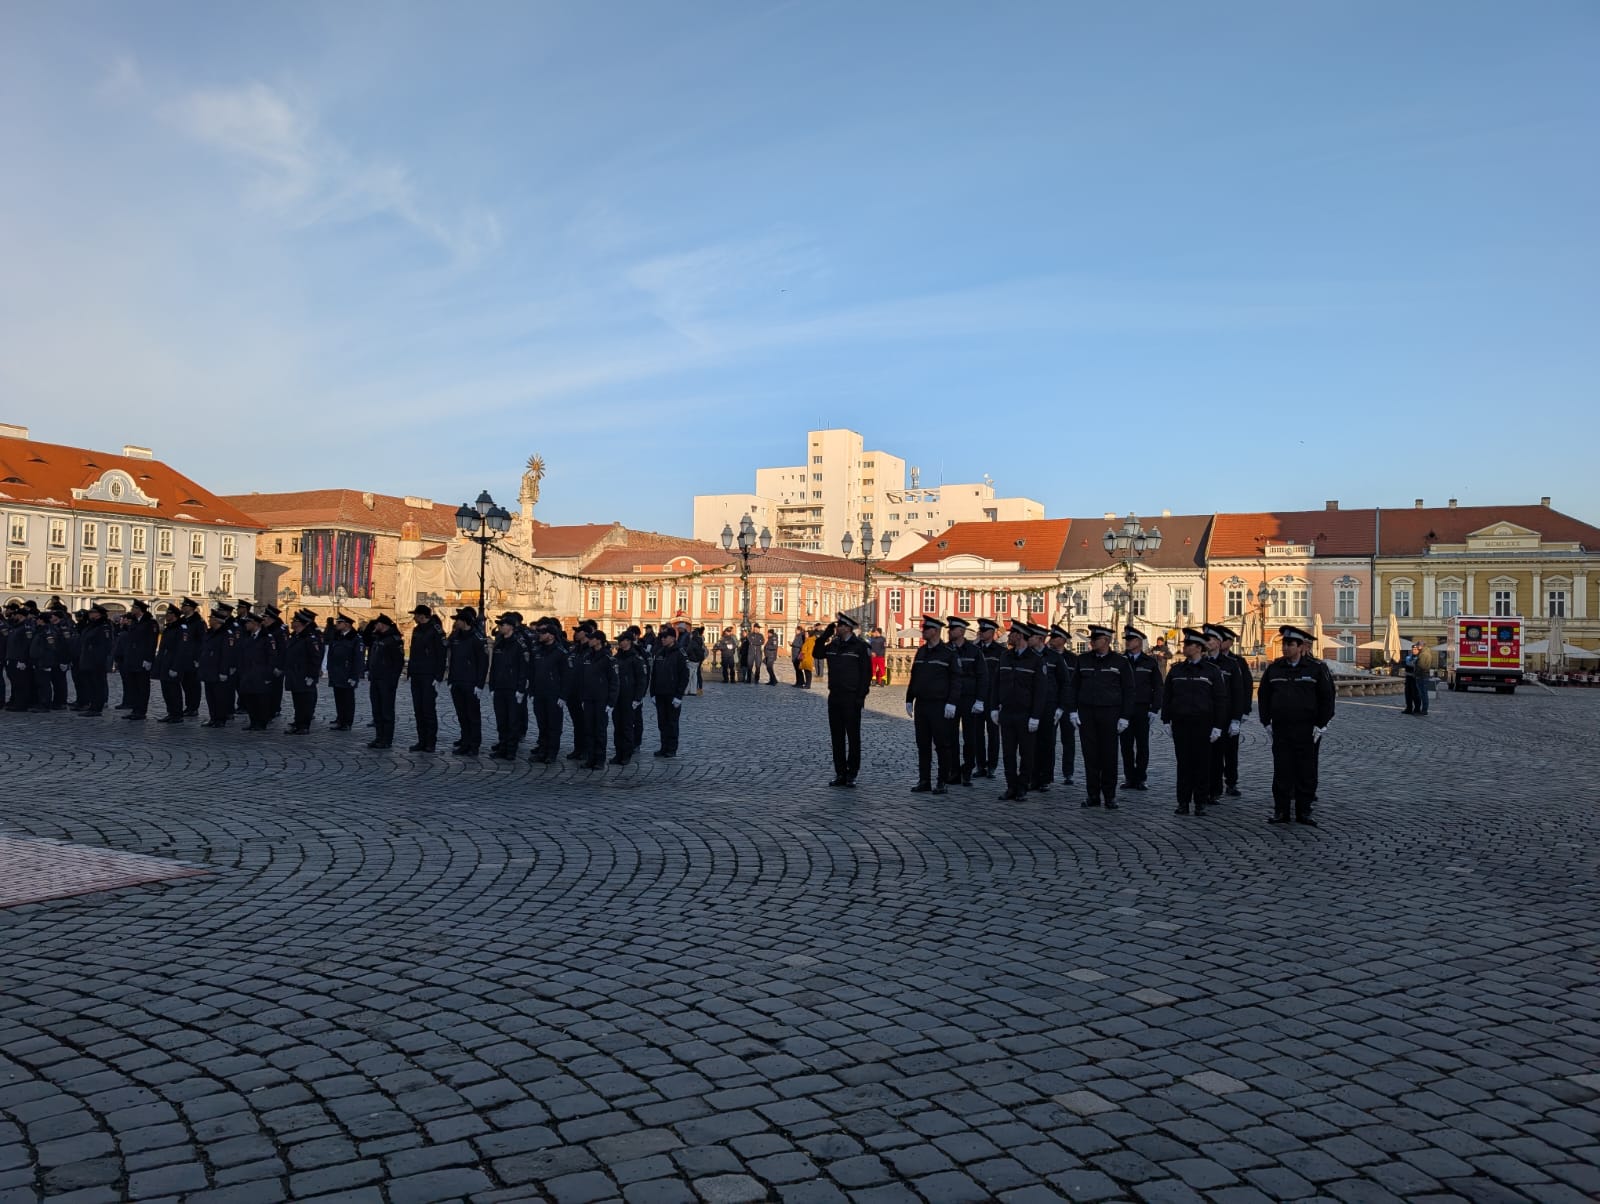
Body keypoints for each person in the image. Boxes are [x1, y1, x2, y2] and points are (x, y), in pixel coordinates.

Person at [1257, 625, 1336, 824]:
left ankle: (1304, 810)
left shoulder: (1316, 668)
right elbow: (1263, 695)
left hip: (1307, 728)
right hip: (1281, 728)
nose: (1285, 648)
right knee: (1282, 770)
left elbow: (1327, 697)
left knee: (1305, 770)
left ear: (1301, 647)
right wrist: (1266, 721)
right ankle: (1281, 810)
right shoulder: (1275, 668)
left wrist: (1322, 724)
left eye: (1290, 644)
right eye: (1284, 644)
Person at [1160, 629, 1228, 814]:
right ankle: (1183, 802)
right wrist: (1166, 719)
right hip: (1181, 722)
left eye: (1188, 644)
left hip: (1203, 723)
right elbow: (1167, 696)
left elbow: (1220, 700)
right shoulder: (1177, 670)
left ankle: (1200, 802)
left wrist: (1218, 726)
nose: (1184, 647)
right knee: (1183, 764)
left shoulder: (1212, 671)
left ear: (1198, 647)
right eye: (1184, 644)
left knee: (1202, 764)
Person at [1067, 624, 1135, 809]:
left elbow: (1129, 690)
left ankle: (1110, 796)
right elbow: (1073, 687)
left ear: (1106, 641)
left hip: (1110, 712)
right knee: (1090, 756)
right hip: (1087, 713)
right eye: (1092, 639)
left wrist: (1125, 716)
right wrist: (1072, 711)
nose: (1092, 642)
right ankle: (1093, 795)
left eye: (1095, 639)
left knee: (1109, 756)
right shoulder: (1083, 660)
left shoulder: (1120, 662)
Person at [991, 621, 1047, 801]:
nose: (1009, 636)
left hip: (1026, 713)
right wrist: (994, 707)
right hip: (1007, 712)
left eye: (1012, 633)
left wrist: (1036, 716)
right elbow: (996, 684)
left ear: (1020, 636)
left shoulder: (1036, 660)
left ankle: (1022, 786)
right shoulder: (1005, 657)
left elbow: (1041, 691)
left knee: (1026, 753)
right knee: (1008, 753)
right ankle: (1011, 786)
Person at [905, 616, 960, 794]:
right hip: (922, 704)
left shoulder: (948, 654)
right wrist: (908, 698)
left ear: (935, 631)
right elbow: (914, 677)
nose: (923, 631)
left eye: (926, 629)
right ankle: (924, 780)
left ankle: (942, 781)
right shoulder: (921, 652)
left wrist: (951, 703)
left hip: (940, 705)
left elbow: (955, 680)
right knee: (923, 744)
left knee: (942, 745)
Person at [820, 614, 872, 787]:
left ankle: (852, 773)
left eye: (840, 625)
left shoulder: (860, 647)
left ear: (849, 628)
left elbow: (866, 673)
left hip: (851, 697)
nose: (837, 627)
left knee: (853, 736)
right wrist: (824, 636)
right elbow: (817, 653)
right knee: (837, 737)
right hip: (834, 696)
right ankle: (840, 773)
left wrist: (861, 696)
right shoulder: (834, 644)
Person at [1203, 625, 1247, 805]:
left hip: (1226, 716)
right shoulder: (1202, 663)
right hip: (1206, 715)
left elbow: (1239, 691)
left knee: (1227, 752)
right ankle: (1207, 789)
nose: (1207, 642)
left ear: (1220, 642)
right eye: (1206, 639)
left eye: (1211, 639)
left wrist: (1238, 716)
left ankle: (1225, 785)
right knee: (1207, 756)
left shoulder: (1232, 664)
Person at [945, 617, 989, 786]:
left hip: (969, 699)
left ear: (962, 631)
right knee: (951, 737)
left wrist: (980, 700)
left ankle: (968, 769)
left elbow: (982, 677)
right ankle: (954, 771)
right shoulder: (946, 649)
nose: (949, 631)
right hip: (951, 700)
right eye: (949, 629)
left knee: (970, 738)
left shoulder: (974, 651)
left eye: (952, 629)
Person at [1120, 625, 1164, 791]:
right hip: (1124, 709)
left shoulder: (1149, 662)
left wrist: (1155, 708)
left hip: (1142, 708)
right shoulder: (1121, 660)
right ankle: (1129, 777)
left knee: (1142, 745)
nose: (1127, 643)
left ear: (1138, 642)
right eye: (1127, 640)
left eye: (1130, 640)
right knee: (1126, 745)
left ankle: (1141, 778)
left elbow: (1158, 686)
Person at [1032, 626, 1072, 794]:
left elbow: (1065, 683)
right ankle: (1032, 776)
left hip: (1051, 704)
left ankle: (1046, 778)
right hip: (1033, 705)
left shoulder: (1056, 658)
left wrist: (1062, 706)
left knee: (1049, 742)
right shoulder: (1030, 656)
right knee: (1032, 743)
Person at [575, 629, 619, 769]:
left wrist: (611, 702)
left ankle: (600, 760)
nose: (589, 640)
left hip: (601, 699)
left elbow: (614, 681)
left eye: (592, 638)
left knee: (600, 730)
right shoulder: (587, 656)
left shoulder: (608, 658)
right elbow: (582, 679)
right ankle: (590, 758)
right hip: (588, 699)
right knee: (588, 729)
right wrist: (582, 697)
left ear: (599, 640)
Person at [446, 608, 487, 756]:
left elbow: (483, 662)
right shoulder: (456, 636)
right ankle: (465, 742)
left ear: (464, 622)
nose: (455, 623)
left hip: (471, 682)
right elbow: (453, 659)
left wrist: (480, 684)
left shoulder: (477, 638)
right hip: (457, 680)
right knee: (462, 714)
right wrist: (450, 679)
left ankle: (474, 745)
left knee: (473, 715)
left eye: (457, 620)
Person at [406, 604, 446, 753]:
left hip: (429, 675)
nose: (414, 617)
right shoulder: (417, 630)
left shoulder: (435, 630)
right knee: (418, 710)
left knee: (428, 709)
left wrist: (438, 676)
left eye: (415, 615)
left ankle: (430, 742)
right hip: (417, 674)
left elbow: (441, 655)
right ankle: (421, 740)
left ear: (422, 616)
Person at [528, 619, 569, 763]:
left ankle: (552, 753)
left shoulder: (560, 652)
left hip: (554, 694)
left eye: (543, 633)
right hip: (539, 693)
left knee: (554, 725)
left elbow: (566, 675)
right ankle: (542, 751)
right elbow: (532, 672)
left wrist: (563, 696)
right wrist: (531, 691)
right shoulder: (538, 650)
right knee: (542, 724)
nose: (540, 635)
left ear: (551, 635)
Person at [488, 614, 528, 760]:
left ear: (510, 626)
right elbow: (494, 666)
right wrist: (492, 686)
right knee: (501, 720)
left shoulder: (519, 644)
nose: (500, 627)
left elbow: (523, 668)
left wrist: (521, 689)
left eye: (503, 625)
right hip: (499, 687)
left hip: (512, 687)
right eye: (499, 625)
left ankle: (511, 750)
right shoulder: (499, 643)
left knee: (512, 721)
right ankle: (502, 747)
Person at [365, 614, 405, 749]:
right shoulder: (378, 637)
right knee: (377, 710)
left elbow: (398, 662)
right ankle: (379, 737)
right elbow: (366, 638)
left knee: (387, 711)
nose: (375, 626)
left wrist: (393, 680)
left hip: (386, 680)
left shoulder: (393, 639)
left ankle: (386, 739)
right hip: (375, 678)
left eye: (377, 624)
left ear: (383, 625)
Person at [651, 625, 691, 757]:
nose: (662, 639)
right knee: (662, 723)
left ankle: (672, 749)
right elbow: (654, 674)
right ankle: (664, 746)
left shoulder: (680, 653)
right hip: (660, 693)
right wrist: (652, 693)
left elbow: (684, 676)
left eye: (665, 637)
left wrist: (679, 696)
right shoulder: (660, 652)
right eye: (661, 637)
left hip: (673, 694)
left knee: (672, 723)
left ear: (673, 638)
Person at [973, 618, 1004, 778]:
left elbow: (1002, 678)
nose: (981, 633)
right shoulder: (975, 649)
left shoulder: (1000, 651)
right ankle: (980, 765)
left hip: (993, 698)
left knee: (993, 734)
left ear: (992, 633)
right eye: (981, 630)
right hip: (977, 697)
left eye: (984, 631)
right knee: (977, 733)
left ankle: (992, 765)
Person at [236, 613, 277, 731]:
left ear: (255, 624)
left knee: (261, 700)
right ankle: (253, 721)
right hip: (248, 674)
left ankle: (261, 722)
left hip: (261, 674)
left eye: (248, 623)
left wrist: (268, 674)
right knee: (250, 699)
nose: (246, 625)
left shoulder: (266, 637)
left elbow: (272, 657)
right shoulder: (248, 638)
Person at [612, 629, 647, 764]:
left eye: (622, 641)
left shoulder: (636, 658)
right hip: (617, 697)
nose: (619, 643)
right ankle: (618, 753)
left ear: (628, 642)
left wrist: (638, 698)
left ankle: (626, 754)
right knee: (617, 727)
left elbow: (641, 680)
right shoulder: (616, 658)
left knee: (627, 727)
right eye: (619, 641)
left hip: (629, 697)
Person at [198, 606, 238, 727]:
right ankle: (213, 717)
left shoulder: (226, 634)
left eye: (211, 619)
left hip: (219, 669)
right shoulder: (210, 633)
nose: (209, 620)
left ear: (217, 621)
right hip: (209, 669)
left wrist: (224, 671)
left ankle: (221, 719)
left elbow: (227, 654)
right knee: (210, 696)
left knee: (220, 696)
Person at [284, 609, 322, 734]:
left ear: (301, 623)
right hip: (295, 674)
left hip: (304, 674)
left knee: (305, 701)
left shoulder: (309, 638)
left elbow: (315, 658)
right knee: (297, 701)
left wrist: (312, 675)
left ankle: (304, 725)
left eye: (294, 621)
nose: (292, 623)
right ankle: (298, 722)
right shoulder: (296, 636)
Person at [325, 614, 364, 730]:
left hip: (347, 674)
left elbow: (358, 659)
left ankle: (347, 722)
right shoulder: (337, 637)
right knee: (339, 698)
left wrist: (354, 676)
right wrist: (330, 669)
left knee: (347, 699)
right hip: (337, 672)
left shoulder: (355, 639)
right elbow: (331, 654)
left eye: (339, 623)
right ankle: (340, 719)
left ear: (346, 624)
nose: (336, 625)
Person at [153, 606, 191, 723]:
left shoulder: (181, 628)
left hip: (174, 663)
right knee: (166, 690)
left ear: (174, 615)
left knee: (174, 690)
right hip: (165, 662)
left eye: (168, 614)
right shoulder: (169, 628)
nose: (166, 616)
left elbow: (182, 649)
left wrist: (175, 667)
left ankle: (177, 714)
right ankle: (171, 712)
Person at [75, 604, 114, 717]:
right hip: (88, 659)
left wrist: (98, 660)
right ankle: (92, 706)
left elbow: (105, 645)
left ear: (99, 614)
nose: (90, 614)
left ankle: (97, 708)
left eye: (92, 612)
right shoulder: (92, 625)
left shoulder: (104, 626)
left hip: (96, 660)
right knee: (91, 684)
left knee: (98, 684)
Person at [122, 600, 158, 721]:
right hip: (132, 659)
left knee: (142, 686)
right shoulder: (135, 623)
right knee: (134, 686)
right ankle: (135, 709)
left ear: (139, 610)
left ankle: (141, 711)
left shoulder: (150, 623)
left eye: (134, 608)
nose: (132, 610)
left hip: (142, 659)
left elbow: (152, 642)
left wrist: (148, 659)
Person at [178, 596, 205, 716]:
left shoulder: (198, 622)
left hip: (193, 657)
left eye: (184, 606)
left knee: (193, 684)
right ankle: (189, 706)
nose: (182, 608)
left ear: (191, 608)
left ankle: (194, 707)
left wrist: (197, 658)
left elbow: (202, 641)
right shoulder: (182, 621)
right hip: (183, 657)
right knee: (185, 683)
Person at [1401, 641, 1430, 715]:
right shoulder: (1409, 657)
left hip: (1416, 677)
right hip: (1409, 678)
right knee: (1408, 693)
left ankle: (1417, 709)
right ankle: (1409, 708)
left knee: (1416, 694)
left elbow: (1421, 667)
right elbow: (1407, 667)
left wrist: (1414, 670)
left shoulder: (1420, 656)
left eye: (1415, 649)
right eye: (1413, 649)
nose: (1414, 650)